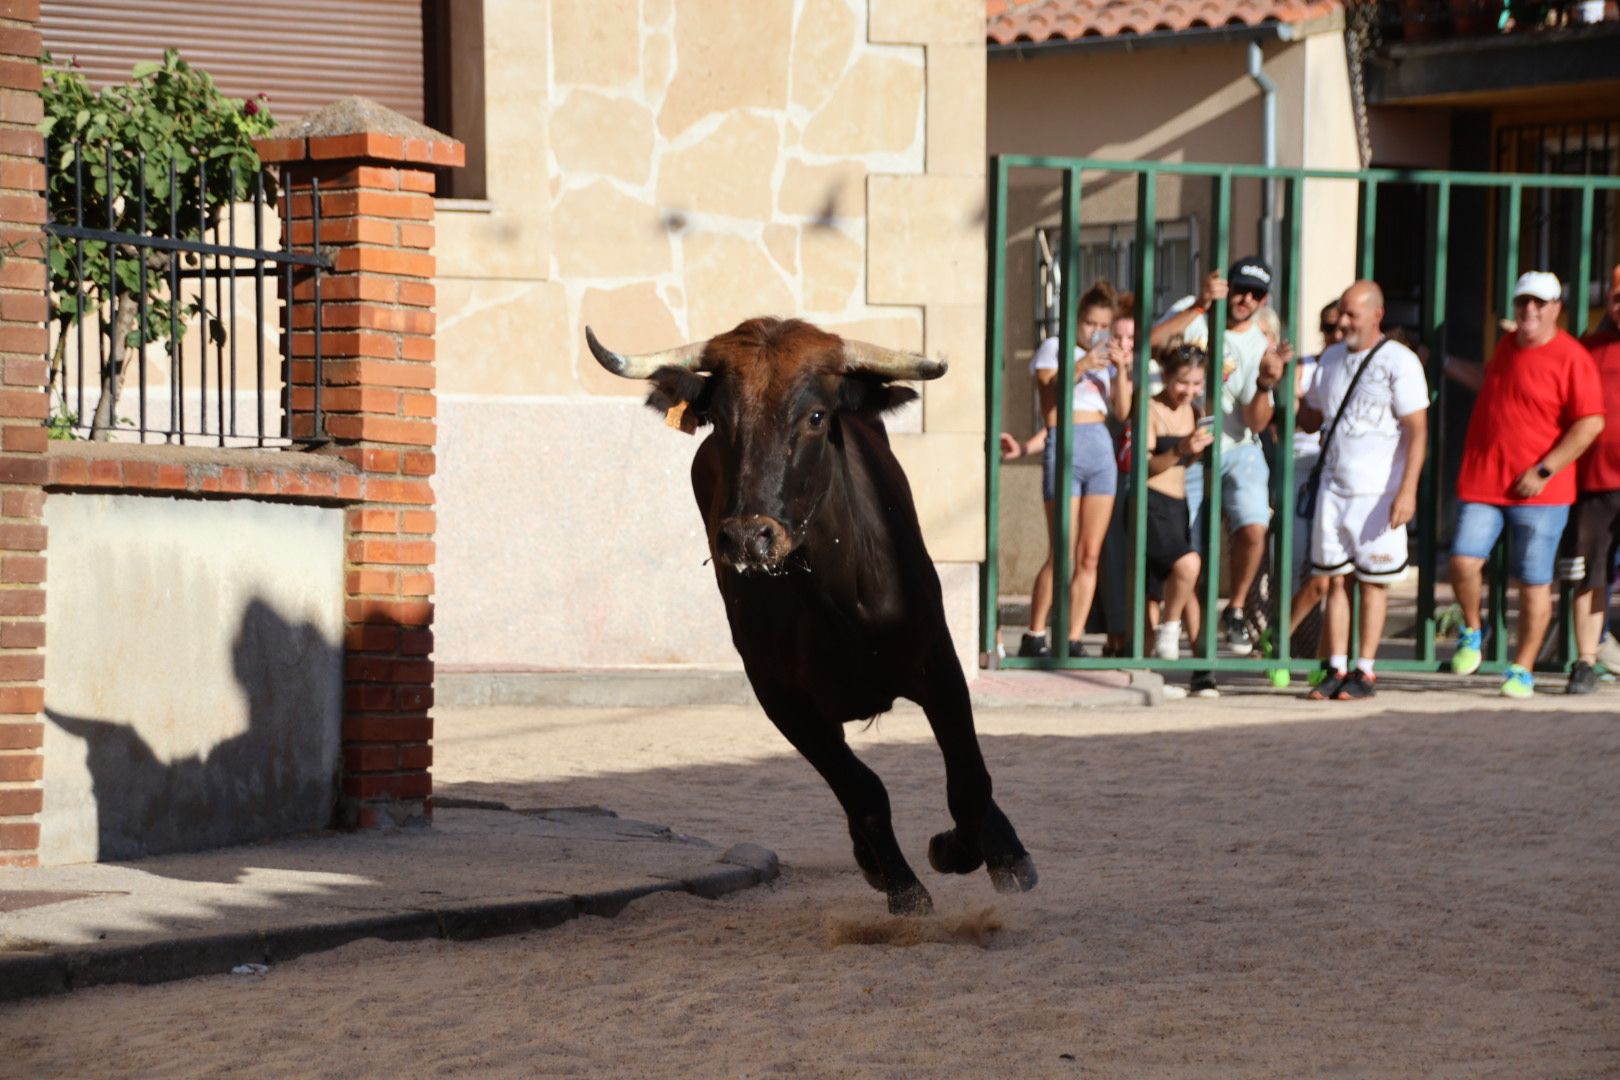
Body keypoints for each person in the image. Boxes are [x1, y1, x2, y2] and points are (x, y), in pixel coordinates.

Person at [1448, 271, 1606, 699]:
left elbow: (1590, 422)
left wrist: (1544, 470)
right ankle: (1472, 631)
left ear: (1557, 308)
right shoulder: (1506, 346)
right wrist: (1440, 361)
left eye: (1539, 303)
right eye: (1523, 303)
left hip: (1541, 492)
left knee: (1533, 581)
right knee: (1463, 560)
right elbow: (1492, 383)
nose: (1529, 310)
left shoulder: (1573, 357)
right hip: (1484, 482)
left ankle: (1522, 668)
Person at [1294, 281, 1429, 700]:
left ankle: (1365, 669)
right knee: (1334, 580)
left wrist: (1407, 490)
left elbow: (1417, 429)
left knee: (1373, 583)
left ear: (1377, 314)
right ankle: (1335, 665)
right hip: (1335, 488)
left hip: (1379, 492)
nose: (1343, 322)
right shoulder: (1330, 359)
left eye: (1352, 314)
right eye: (1341, 315)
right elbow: (1312, 420)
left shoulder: (1399, 361)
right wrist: (1287, 386)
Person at [1151, 257, 1287, 656]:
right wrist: (1199, 307)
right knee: (1183, 547)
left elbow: (1256, 423)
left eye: (1255, 294)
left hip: (1237, 445)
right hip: (1189, 444)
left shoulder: (1260, 343)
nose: (1245, 299)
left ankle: (1237, 609)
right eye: (1239, 288)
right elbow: (1153, 343)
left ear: (1265, 299)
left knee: (1254, 527)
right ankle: (1182, 636)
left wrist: (1264, 385)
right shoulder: (1196, 314)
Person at [1005, 281, 1133, 657]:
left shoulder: (1107, 361)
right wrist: (1081, 364)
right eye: (1090, 323)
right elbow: (1048, 395)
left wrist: (1121, 369)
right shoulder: (1054, 349)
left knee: (1089, 554)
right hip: (1065, 442)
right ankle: (1035, 633)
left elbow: (1123, 412)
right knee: (1061, 549)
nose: (1096, 332)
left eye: (1103, 325)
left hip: (1100, 448)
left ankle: (1075, 637)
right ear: (1078, 320)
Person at [1564, 264, 1620, 694]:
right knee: (1590, 573)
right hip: (1596, 480)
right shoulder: (1588, 348)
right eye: (1618, 298)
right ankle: (1585, 661)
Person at [1143, 345, 1213, 670]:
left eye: (1197, 384)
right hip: (1151, 503)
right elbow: (1144, 467)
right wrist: (1182, 449)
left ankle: (1202, 672)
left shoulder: (1195, 411)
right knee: (1185, 567)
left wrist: (1196, 450)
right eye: (1183, 383)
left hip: (1179, 504)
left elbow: (1189, 460)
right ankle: (1168, 631)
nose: (1189, 391)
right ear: (1167, 376)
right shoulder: (1149, 408)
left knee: (1186, 584)